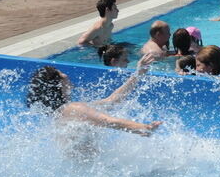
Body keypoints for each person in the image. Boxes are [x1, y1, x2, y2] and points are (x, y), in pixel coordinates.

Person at [25, 55, 162, 147]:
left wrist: (138, 74)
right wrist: (143, 128)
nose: (65, 74)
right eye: (59, 73)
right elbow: (108, 121)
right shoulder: (74, 109)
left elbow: (112, 101)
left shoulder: (63, 112)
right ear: (58, 84)